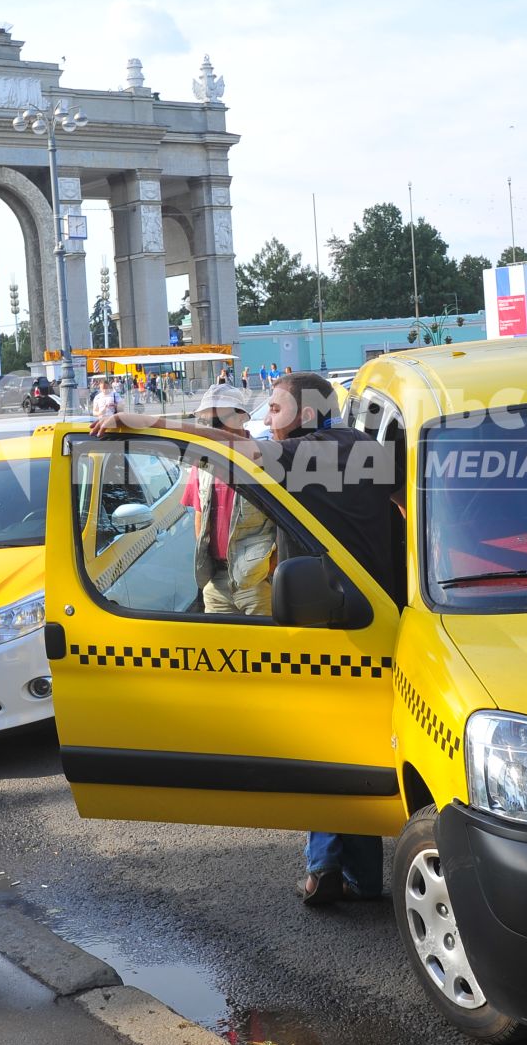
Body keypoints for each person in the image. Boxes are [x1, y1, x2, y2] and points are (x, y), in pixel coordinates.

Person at [96, 370, 401, 905]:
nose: (266, 422)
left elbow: (225, 444)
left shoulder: (313, 452)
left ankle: (325, 868)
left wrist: (136, 421)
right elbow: (402, 504)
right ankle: (355, 875)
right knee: (354, 747)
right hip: (378, 616)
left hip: (327, 621)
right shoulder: (360, 446)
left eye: (276, 410)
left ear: (306, 416)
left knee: (319, 748)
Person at [177, 386, 276, 615]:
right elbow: (200, 513)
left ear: (242, 417)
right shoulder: (202, 461)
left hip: (258, 581)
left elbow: (285, 520)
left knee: (264, 649)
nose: (213, 429)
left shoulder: (265, 458)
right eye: (208, 422)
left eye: (218, 421)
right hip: (217, 580)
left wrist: (272, 567)